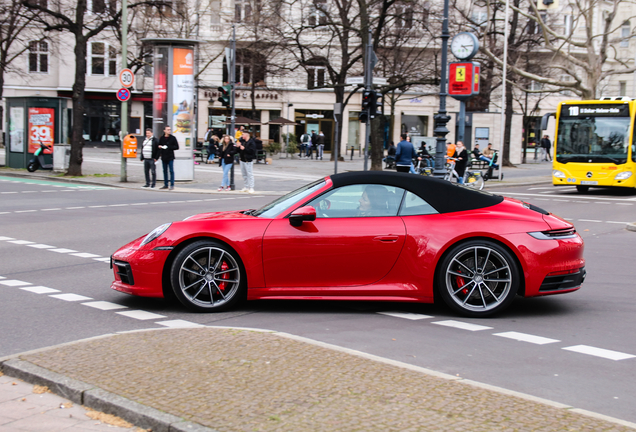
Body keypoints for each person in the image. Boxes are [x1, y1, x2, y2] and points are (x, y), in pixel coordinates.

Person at [159, 125, 179, 190]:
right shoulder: (162, 138)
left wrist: (169, 147)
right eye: (167, 130)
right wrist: (160, 147)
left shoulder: (173, 138)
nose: (169, 131)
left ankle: (172, 184)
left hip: (170, 156)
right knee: (165, 171)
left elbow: (176, 147)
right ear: (164, 130)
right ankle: (165, 184)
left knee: (171, 170)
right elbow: (159, 145)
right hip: (164, 156)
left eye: (170, 129)